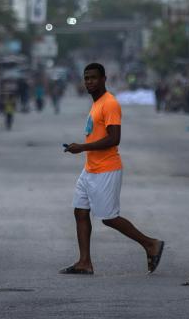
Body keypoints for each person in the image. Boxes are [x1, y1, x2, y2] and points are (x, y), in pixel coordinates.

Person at [60, 62, 165, 276]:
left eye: (93, 78)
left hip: (106, 169)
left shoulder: (110, 104)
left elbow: (114, 138)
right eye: (86, 78)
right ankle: (84, 262)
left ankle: (150, 244)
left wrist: (82, 147)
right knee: (80, 211)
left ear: (104, 79)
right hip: (90, 168)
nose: (89, 82)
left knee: (109, 217)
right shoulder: (96, 103)